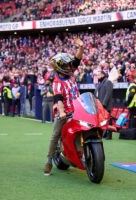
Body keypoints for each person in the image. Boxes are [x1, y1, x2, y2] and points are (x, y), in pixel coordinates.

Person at [43, 38, 84, 176]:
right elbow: (58, 99)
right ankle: (48, 160)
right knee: (55, 135)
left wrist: (81, 47)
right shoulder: (57, 83)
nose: (70, 67)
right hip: (65, 112)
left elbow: (77, 60)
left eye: (69, 65)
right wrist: (61, 112)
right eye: (66, 66)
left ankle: (81, 153)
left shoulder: (71, 73)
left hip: (78, 110)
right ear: (59, 67)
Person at [94, 70, 114, 139]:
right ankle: (104, 134)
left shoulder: (108, 82)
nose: (97, 77)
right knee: (103, 120)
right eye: (97, 75)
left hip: (105, 105)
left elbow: (108, 94)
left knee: (108, 119)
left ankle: (109, 135)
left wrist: (104, 104)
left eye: (98, 75)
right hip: (99, 105)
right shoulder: (100, 83)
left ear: (103, 75)